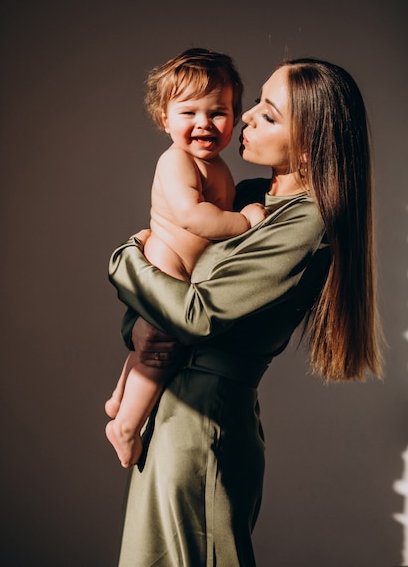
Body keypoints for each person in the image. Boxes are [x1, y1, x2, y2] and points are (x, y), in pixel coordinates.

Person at [108, 57, 383, 567]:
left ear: (308, 145)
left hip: (202, 426)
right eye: (255, 102)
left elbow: (192, 314)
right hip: (170, 413)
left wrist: (123, 259)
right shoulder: (248, 199)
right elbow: (167, 297)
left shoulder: (307, 225)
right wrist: (141, 328)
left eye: (269, 115)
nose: (246, 117)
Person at [105, 48, 267, 468]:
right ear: (164, 119)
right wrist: (244, 221)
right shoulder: (176, 160)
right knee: (162, 348)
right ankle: (125, 425)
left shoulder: (217, 166)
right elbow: (194, 217)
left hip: (180, 265)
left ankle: (120, 397)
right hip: (167, 260)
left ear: (233, 116)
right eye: (189, 112)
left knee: (150, 344)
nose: (204, 123)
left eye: (218, 112)